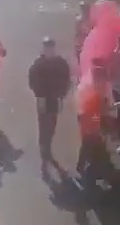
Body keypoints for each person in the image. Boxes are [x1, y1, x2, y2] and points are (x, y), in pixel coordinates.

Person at [28, 37, 71, 175]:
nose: (48, 50)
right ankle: (44, 157)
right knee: (43, 126)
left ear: (53, 48)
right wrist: (37, 92)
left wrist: (63, 94)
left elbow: (66, 80)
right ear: (44, 48)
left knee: (52, 126)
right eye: (46, 47)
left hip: (55, 99)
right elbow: (31, 80)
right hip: (42, 99)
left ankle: (47, 149)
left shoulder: (61, 63)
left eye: (50, 47)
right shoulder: (38, 63)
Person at [76, 58, 112, 182]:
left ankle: (91, 167)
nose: (101, 84)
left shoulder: (102, 96)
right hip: (90, 130)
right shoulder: (90, 97)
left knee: (94, 147)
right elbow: (84, 115)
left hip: (96, 129)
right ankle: (83, 168)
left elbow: (105, 110)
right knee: (88, 147)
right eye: (99, 82)